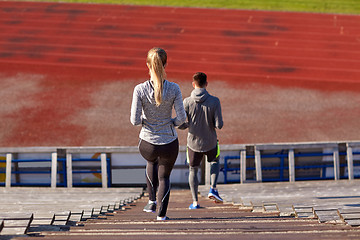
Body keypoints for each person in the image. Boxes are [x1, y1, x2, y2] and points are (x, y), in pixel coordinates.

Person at [130, 47, 186, 220]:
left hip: (147, 142)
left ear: (147, 64)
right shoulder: (174, 88)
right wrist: (170, 123)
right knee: (164, 177)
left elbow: (134, 120)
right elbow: (182, 118)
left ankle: (151, 201)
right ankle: (161, 215)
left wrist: (147, 122)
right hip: (169, 142)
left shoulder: (139, 89)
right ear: (166, 64)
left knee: (151, 161)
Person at [179, 72, 224, 209]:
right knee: (215, 161)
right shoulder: (214, 101)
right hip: (210, 141)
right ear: (206, 84)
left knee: (193, 170)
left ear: (193, 84)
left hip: (193, 144)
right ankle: (213, 188)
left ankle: (195, 202)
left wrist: (189, 124)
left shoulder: (186, 102)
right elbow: (219, 125)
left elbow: (180, 124)